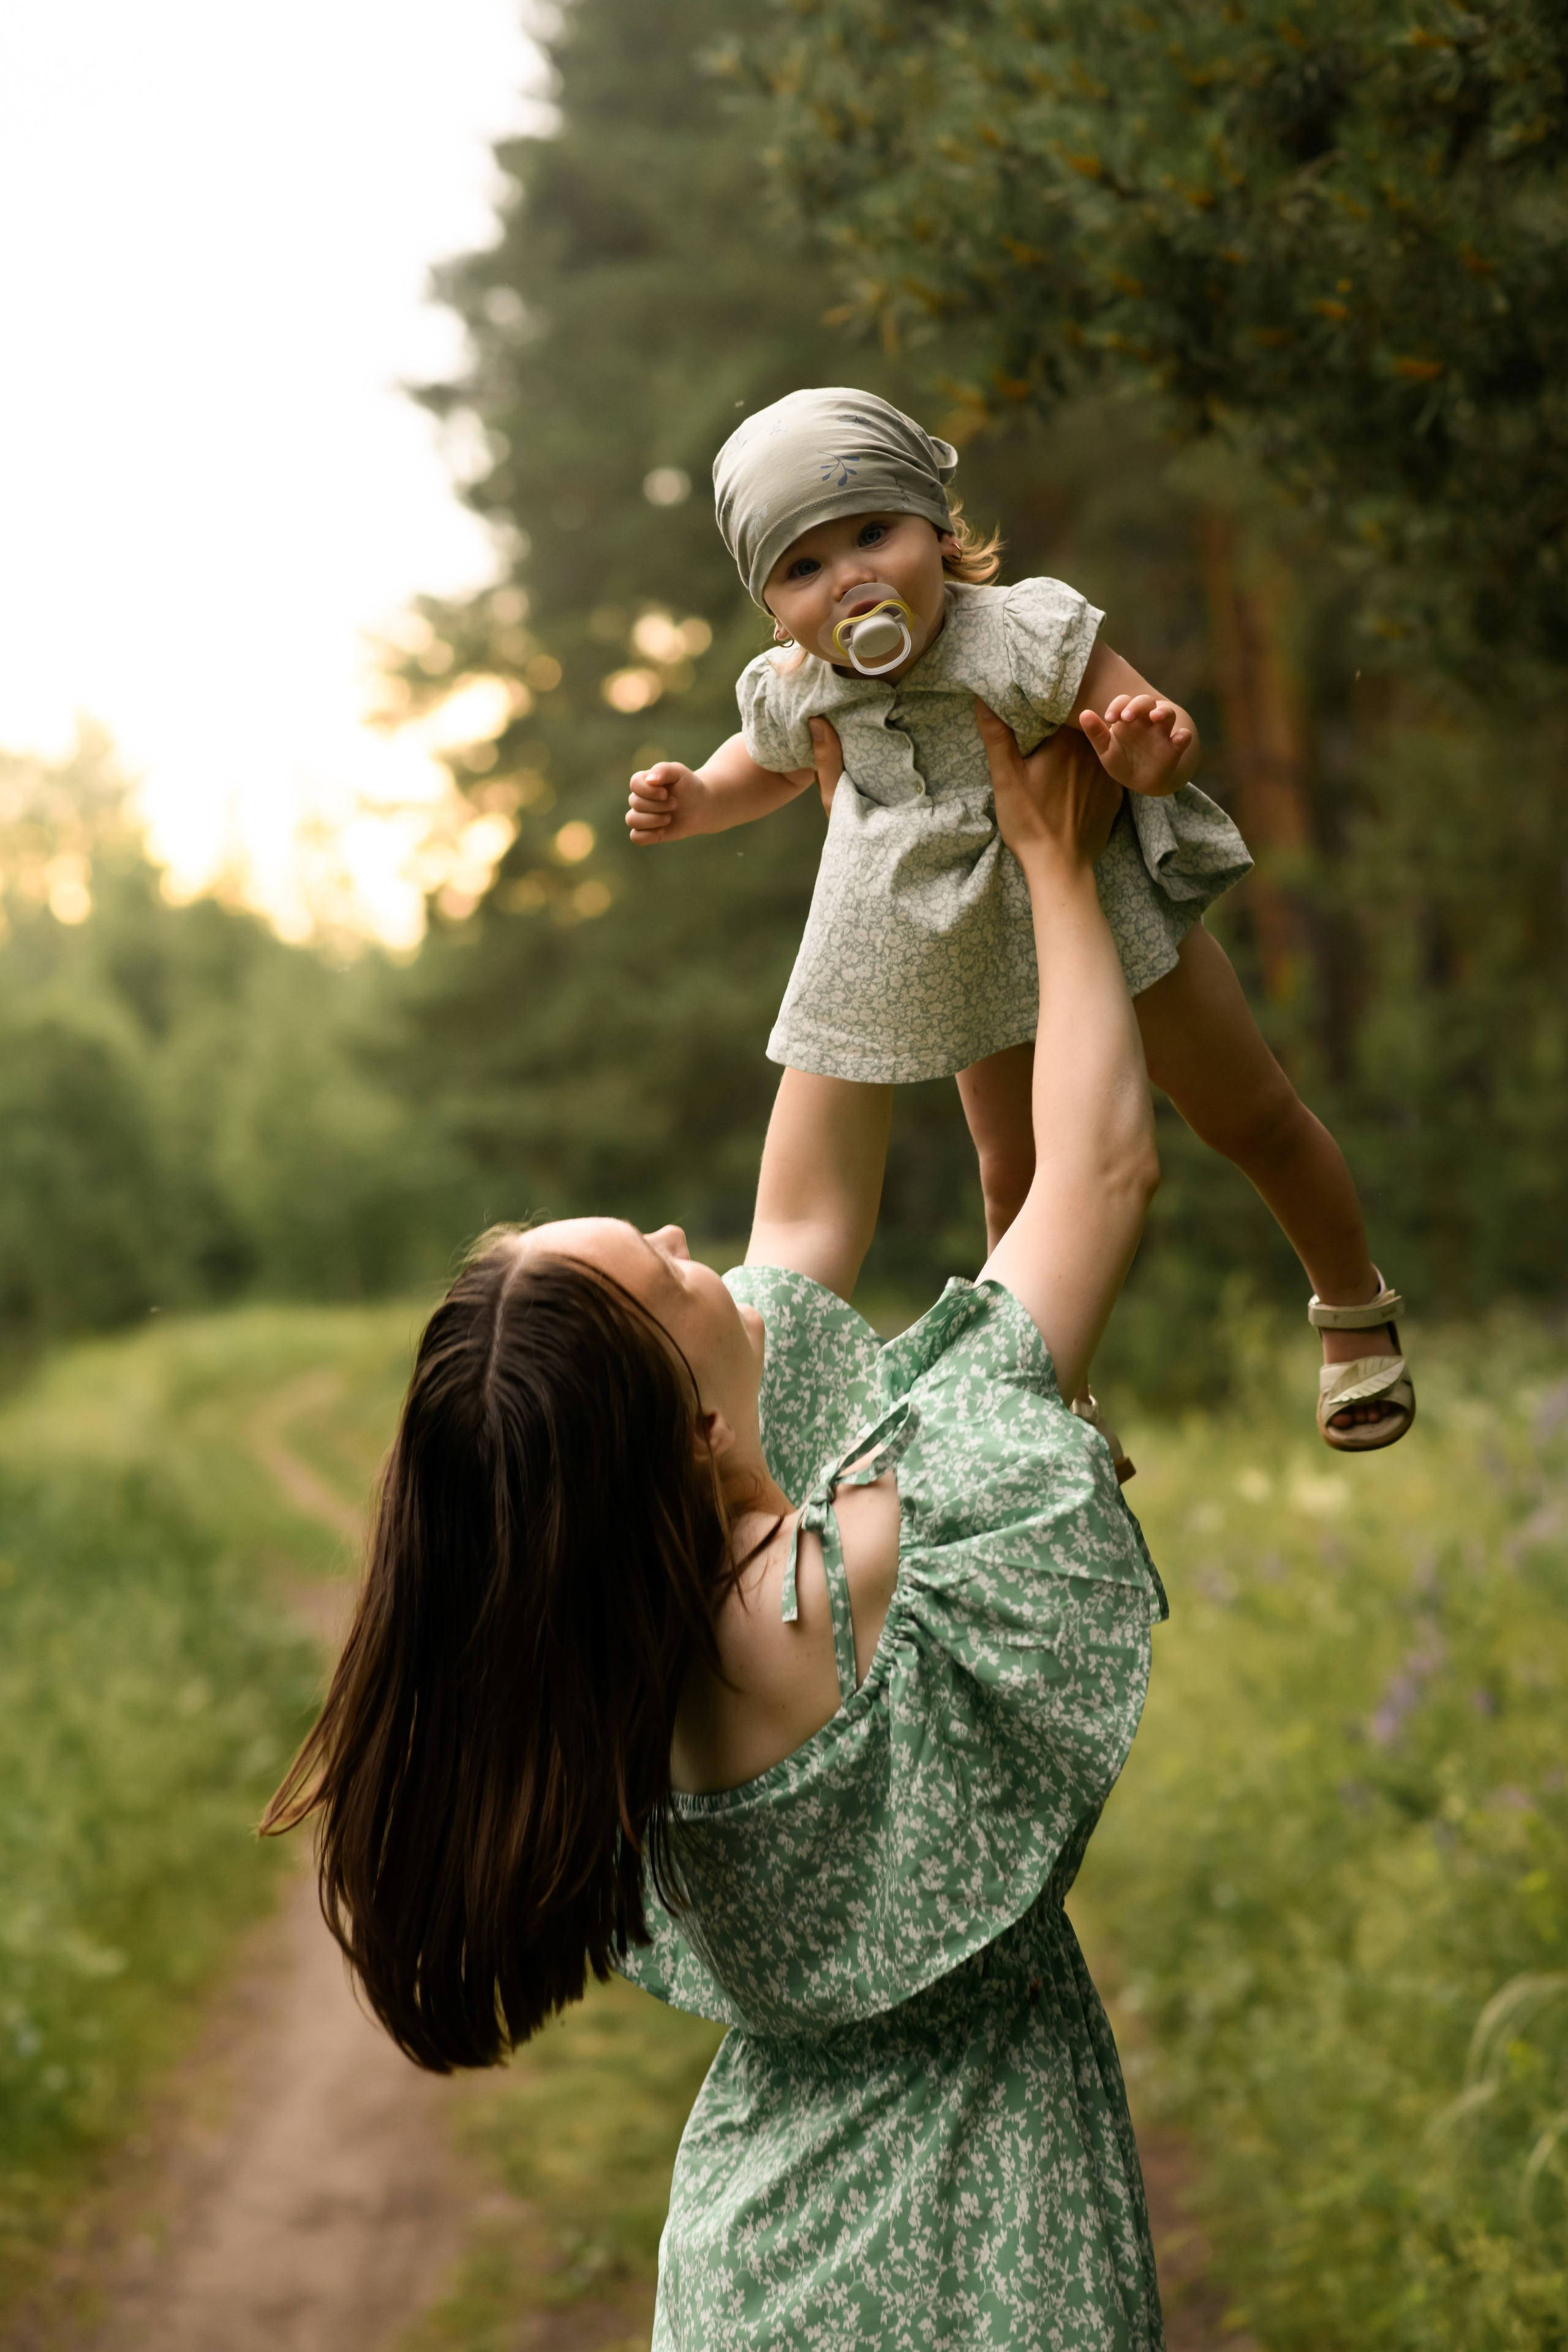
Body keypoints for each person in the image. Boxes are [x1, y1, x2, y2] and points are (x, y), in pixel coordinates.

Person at [267, 710, 1174, 2348]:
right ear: (684, 1434)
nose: (701, 1244)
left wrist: (867, 832)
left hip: (760, 2253)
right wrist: (1052, 861)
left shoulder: (625, 1633)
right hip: (993, 2221)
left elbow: (807, 1217)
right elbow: (1099, 1176)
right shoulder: (873, 1562)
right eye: (672, 1271)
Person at [625, 385, 1413, 1452]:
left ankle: (1352, 1307)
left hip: (1120, 926)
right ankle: (1048, 1398)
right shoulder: (802, 686)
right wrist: (698, 802)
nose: (851, 578)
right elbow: (758, 769)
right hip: (967, 951)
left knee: (1253, 1116)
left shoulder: (1019, 632)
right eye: (804, 568)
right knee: (1019, 1177)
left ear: (938, 530)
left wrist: (1148, 750)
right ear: (773, 606)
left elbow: (1150, 725)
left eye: (873, 533)